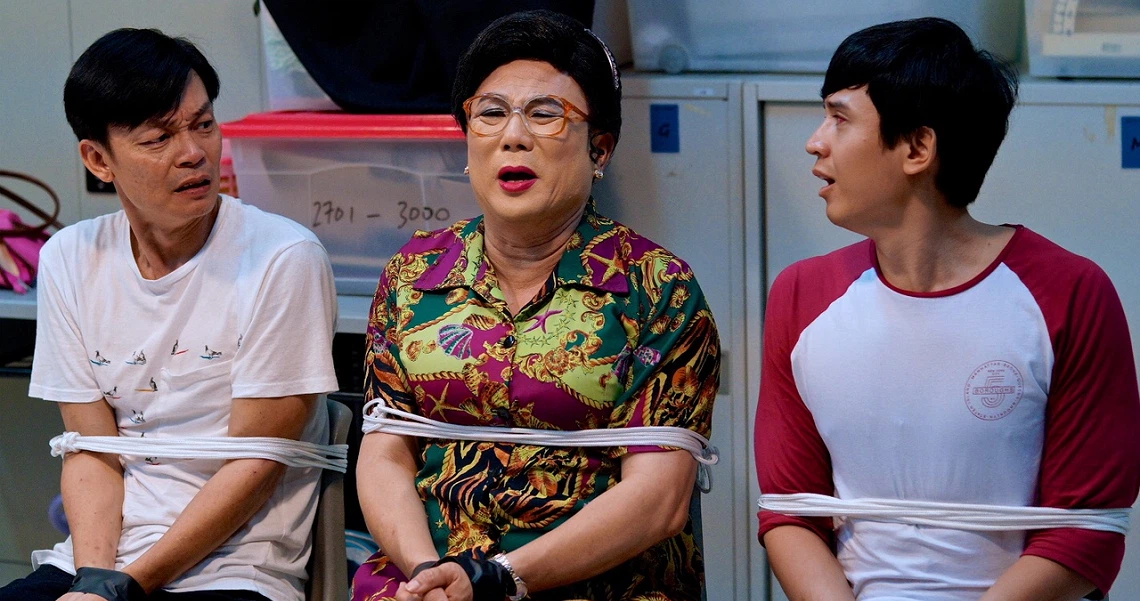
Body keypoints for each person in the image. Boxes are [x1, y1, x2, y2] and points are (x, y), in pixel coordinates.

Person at [754, 17, 1140, 601]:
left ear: (917, 147)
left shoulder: (1073, 293)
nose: (816, 140)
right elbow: (789, 510)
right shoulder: (800, 295)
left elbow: (1088, 531)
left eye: (839, 117)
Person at [351, 10, 720, 601]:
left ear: (600, 149)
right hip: (428, 577)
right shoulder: (413, 275)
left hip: (602, 586)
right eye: (490, 113)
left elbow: (660, 499)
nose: (513, 135)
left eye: (546, 114)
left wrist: (500, 579)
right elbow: (385, 451)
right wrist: (427, 574)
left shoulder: (657, 287)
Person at [0, 28, 339, 601]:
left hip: (235, 565)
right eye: (159, 138)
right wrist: (94, 579)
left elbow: (256, 466)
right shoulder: (71, 258)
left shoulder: (283, 257)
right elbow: (92, 452)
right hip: (100, 559)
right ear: (98, 159)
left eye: (204, 124)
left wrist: (124, 589)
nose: (193, 152)